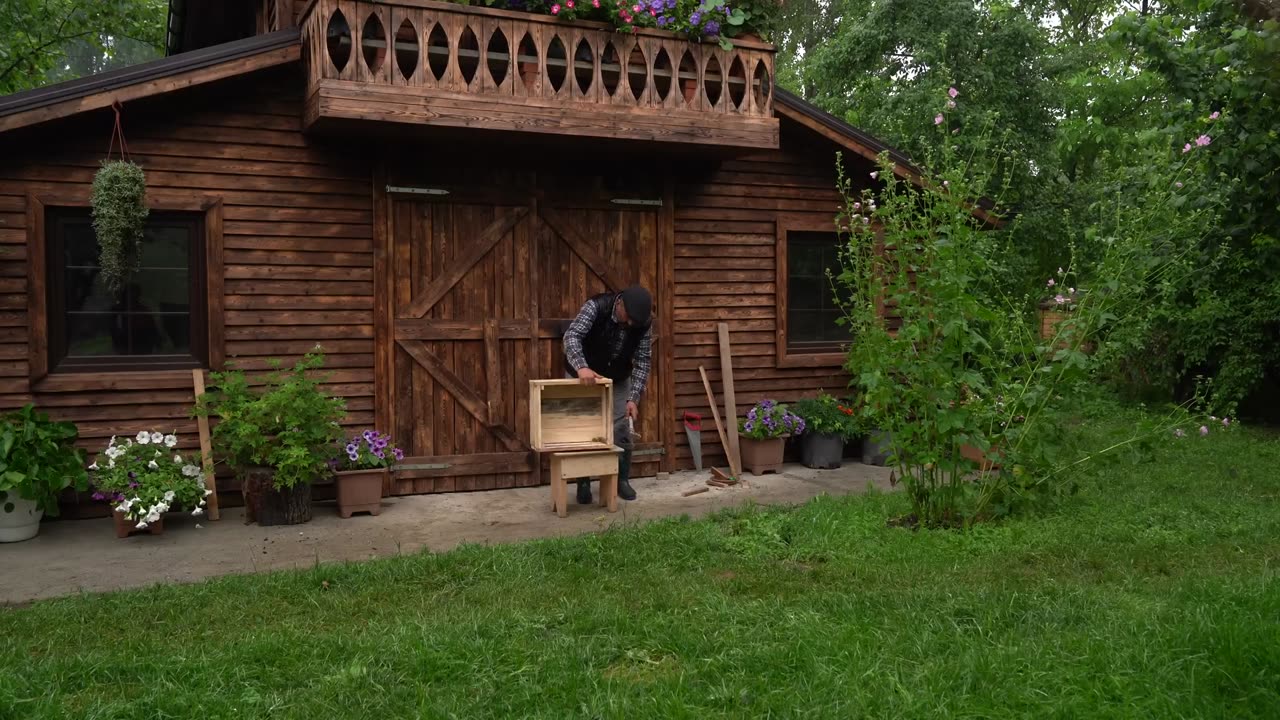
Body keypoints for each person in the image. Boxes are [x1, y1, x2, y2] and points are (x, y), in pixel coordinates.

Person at [562, 285, 653, 504]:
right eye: (628, 318)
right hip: (583, 372)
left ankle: (621, 480)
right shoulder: (596, 306)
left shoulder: (643, 323)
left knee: (621, 428)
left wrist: (634, 398)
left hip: (618, 377)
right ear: (619, 303)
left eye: (635, 322)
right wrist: (581, 367)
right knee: (583, 427)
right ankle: (583, 483)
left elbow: (642, 362)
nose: (631, 324)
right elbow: (572, 336)